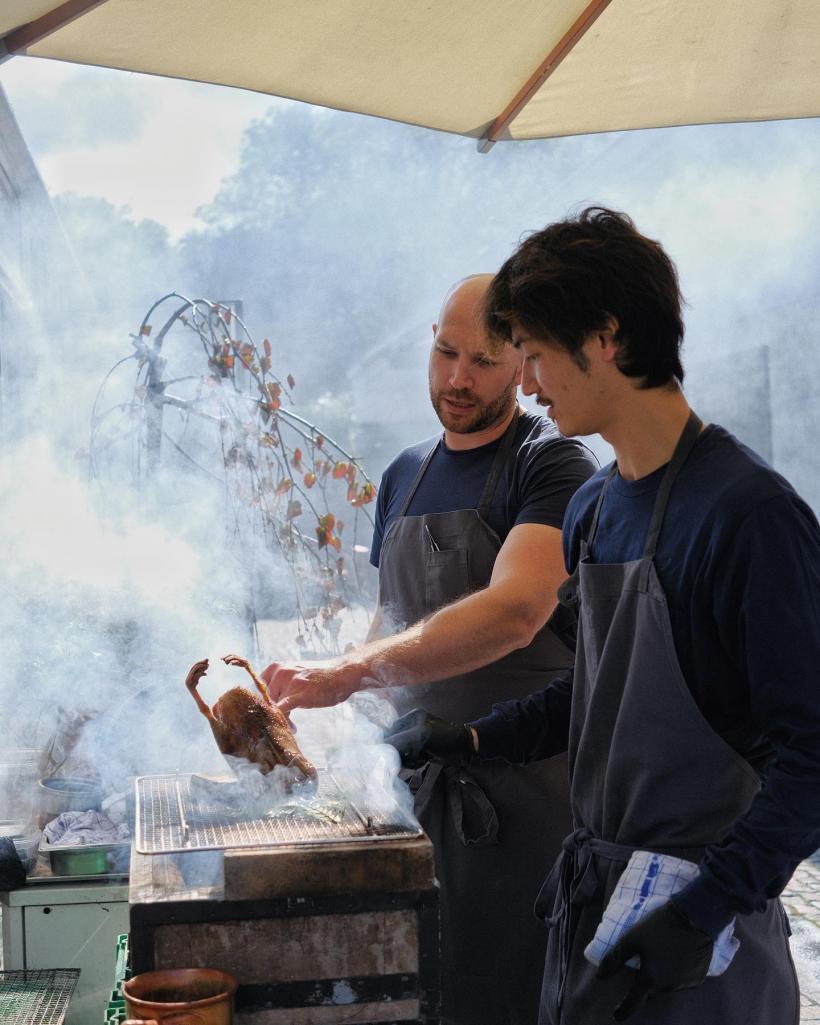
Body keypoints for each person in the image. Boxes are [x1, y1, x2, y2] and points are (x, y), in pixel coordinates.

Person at [387, 207, 820, 1025]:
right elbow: (593, 693)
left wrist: (707, 907)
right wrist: (473, 739)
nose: (526, 383)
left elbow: (813, 754)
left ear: (606, 337)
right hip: (594, 912)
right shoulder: (594, 508)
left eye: (535, 353)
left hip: (704, 939)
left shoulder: (749, 516)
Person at [262, 274, 598, 1025]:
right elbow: (392, 624)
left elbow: (517, 612)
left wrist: (347, 671)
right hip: (419, 800)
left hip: (531, 806)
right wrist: (344, 750)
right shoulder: (403, 476)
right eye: (446, 353)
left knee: (518, 997)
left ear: (523, 363)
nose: (457, 378)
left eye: (483, 361)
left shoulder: (553, 465)